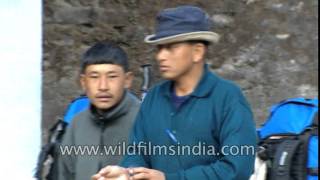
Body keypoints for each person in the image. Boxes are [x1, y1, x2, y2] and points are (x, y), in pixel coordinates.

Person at [92, 5, 257, 180]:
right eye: (159, 48)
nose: (160, 56)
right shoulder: (154, 98)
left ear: (197, 52)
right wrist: (127, 173)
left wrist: (169, 178)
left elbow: (236, 169)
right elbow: (138, 152)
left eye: (171, 47)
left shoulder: (227, 98)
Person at [57, 41, 141, 180]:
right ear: (83, 82)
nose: (103, 86)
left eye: (112, 76)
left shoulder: (148, 120)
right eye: (94, 77)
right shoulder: (77, 124)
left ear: (127, 80)